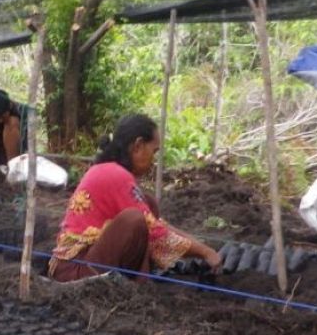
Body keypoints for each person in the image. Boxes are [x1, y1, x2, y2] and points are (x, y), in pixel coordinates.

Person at [49, 114, 222, 282]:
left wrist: (201, 246)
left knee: (148, 203)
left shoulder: (111, 170)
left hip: (87, 259)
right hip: (74, 270)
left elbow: (157, 224)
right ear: (138, 145)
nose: (153, 160)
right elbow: (157, 233)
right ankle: (138, 284)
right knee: (134, 219)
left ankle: (140, 280)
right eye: (153, 152)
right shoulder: (116, 175)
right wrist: (205, 252)